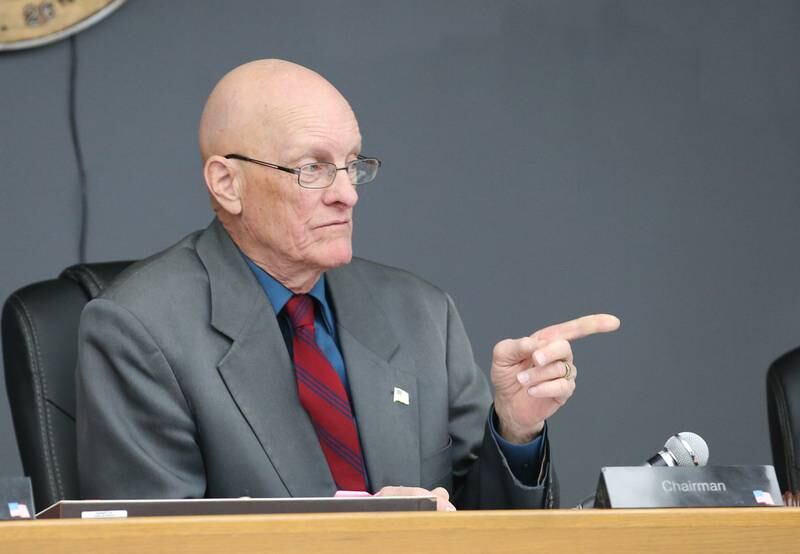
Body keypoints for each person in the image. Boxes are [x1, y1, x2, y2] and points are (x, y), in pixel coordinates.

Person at [76, 59, 619, 510]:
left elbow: (481, 527)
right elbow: (159, 542)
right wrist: (364, 528)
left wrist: (515, 431)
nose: (348, 194)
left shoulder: (420, 313)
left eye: (352, 164)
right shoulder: (140, 330)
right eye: (312, 168)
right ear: (227, 183)